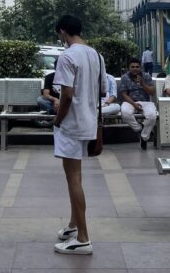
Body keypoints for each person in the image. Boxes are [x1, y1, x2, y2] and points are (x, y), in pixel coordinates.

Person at [52, 14, 104, 256]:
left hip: (71, 124)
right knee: (77, 177)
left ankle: (83, 238)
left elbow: (68, 95)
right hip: (89, 122)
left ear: (63, 32)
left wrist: (58, 119)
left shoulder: (68, 56)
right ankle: (74, 226)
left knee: (73, 179)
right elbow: (102, 89)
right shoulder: (95, 55)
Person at [118, 57, 158, 149]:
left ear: (141, 67)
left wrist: (142, 83)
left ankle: (144, 138)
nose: (135, 69)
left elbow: (152, 92)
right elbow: (124, 94)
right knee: (125, 113)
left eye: (137, 67)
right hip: (130, 101)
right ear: (129, 67)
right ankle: (140, 129)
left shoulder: (146, 76)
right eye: (132, 67)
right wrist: (134, 104)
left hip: (145, 101)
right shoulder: (125, 77)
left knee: (152, 116)